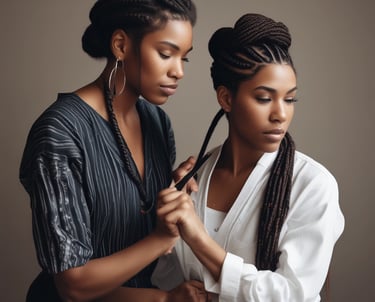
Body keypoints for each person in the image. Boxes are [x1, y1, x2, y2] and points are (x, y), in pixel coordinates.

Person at [19, 1, 212, 301]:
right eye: (165, 53)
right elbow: (73, 285)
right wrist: (163, 254)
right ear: (121, 45)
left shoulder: (157, 122)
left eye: (183, 58)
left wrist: (173, 194)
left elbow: (134, 219)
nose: (178, 71)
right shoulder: (59, 133)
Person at [153, 13, 345, 302]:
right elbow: (165, 280)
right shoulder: (193, 180)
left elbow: (292, 295)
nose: (281, 113)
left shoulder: (312, 185)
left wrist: (199, 239)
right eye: (264, 98)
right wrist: (166, 226)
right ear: (226, 98)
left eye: (290, 99)